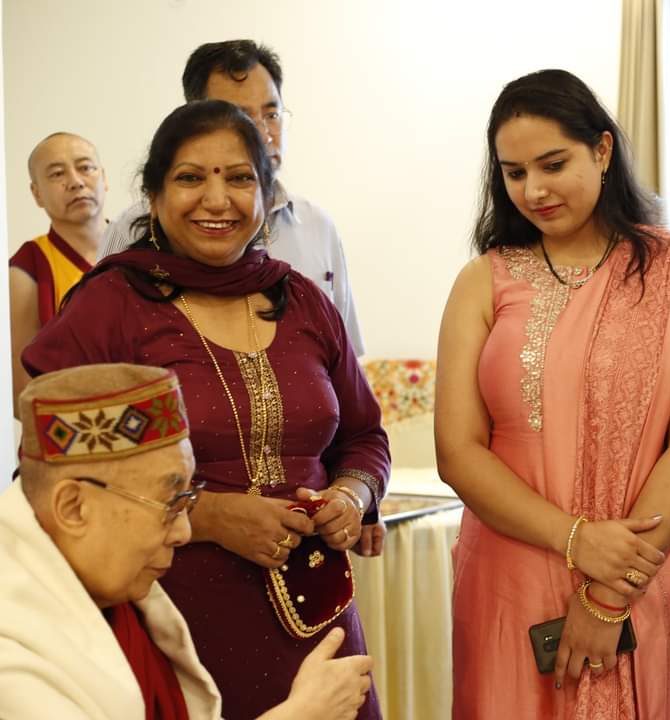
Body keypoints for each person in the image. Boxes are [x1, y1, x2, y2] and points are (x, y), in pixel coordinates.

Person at [22, 100, 390, 720]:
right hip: (175, 619)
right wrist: (210, 515)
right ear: (154, 194)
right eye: (191, 178)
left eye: (239, 178)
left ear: (265, 194)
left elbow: (363, 436)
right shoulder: (110, 308)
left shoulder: (302, 302)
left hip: (318, 614)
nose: (216, 199)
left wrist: (352, 497)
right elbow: (58, 480)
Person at [436, 68, 670, 719]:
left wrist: (609, 592)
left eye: (553, 163)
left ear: (602, 150)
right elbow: (458, 452)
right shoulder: (483, 282)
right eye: (514, 173)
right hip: (512, 563)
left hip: (646, 562)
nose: (534, 190)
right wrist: (575, 538)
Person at [0, 363, 374, 720]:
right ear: (74, 507)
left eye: (187, 500)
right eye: (169, 502)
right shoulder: (11, 649)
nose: (182, 532)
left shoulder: (120, 601)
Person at [99, 39, 365, 358]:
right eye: (240, 117)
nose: (264, 134)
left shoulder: (316, 225)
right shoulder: (134, 228)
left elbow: (345, 362)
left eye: (272, 114)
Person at [9, 132, 108, 409]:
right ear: (37, 194)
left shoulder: (144, 250)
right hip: (71, 432)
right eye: (56, 174)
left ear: (104, 177)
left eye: (86, 167)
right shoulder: (27, 268)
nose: (75, 182)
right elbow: (21, 390)